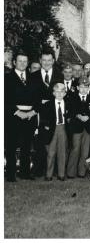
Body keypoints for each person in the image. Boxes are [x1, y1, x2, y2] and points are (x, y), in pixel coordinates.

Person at [5, 50, 40, 182]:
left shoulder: (34, 78)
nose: (22, 63)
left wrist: (33, 112)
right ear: (14, 62)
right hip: (13, 116)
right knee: (11, 146)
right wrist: (17, 112)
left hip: (30, 117)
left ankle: (25, 172)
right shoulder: (7, 78)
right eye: (20, 61)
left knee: (26, 146)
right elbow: (5, 99)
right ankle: (11, 174)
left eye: (25, 61)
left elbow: (38, 98)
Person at [31, 45, 64, 177]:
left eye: (49, 60)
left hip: (53, 113)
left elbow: (59, 93)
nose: (46, 63)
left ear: (53, 61)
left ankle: (54, 169)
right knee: (39, 141)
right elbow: (32, 95)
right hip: (38, 113)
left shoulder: (59, 75)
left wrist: (48, 101)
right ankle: (39, 169)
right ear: (40, 60)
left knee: (52, 141)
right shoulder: (33, 76)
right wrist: (40, 102)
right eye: (44, 60)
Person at [39, 83, 71, 181]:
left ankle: (61, 174)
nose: (59, 93)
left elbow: (71, 117)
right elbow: (43, 118)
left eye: (62, 91)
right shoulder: (48, 104)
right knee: (51, 152)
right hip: (52, 129)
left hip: (63, 128)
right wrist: (47, 126)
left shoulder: (68, 104)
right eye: (57, 91)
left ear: (65, 93)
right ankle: (49, 174)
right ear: (53, 93)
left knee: (62, 152)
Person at [66, 77, 90, 178]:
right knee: (75, 149)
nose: (84, 89)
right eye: (82, 87)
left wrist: (89, 116)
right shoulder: (73, 98)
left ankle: (82, 172)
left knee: (85, 150)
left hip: (87, 128)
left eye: (86, 87)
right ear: (78, 87)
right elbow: (70, 111)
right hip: (76, 128)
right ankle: (71, 172)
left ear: (89, 88)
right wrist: (78, 115)